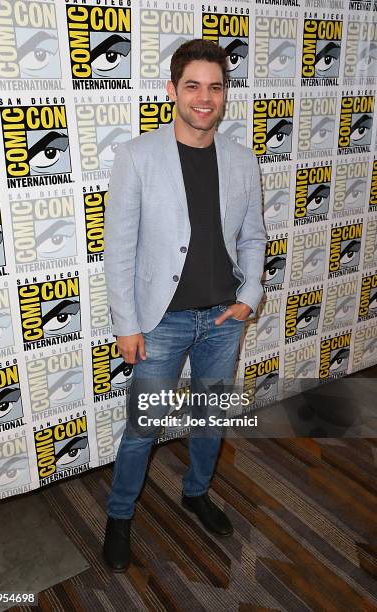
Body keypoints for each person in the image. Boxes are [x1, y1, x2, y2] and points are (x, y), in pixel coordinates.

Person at [103, 39, 267, 572]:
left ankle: (196, 493)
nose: (204, 98)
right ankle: (120, 515)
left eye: (215, 87)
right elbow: (119, 248)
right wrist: (127, 325)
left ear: (225, 95)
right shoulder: (137, 156)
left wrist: (248, 298)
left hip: (223, 319)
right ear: (172, 91)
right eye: (192, 86)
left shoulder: (242, 160)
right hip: (161, 321)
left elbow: (253, 237)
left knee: (210, 418)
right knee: (141, 429)